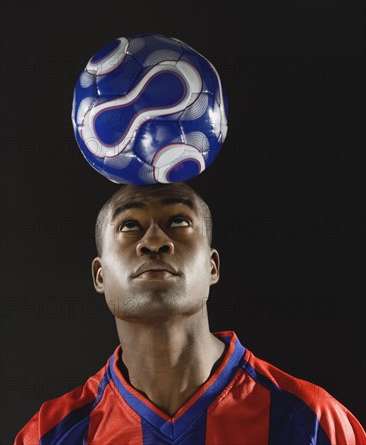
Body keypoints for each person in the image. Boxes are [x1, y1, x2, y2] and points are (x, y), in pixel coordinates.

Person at [15, 182, 366, 444]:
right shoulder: (49, 434)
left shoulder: (312, 421)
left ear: (212, 267)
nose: (154, 240)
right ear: (100, 275)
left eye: (179, 221)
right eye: (129, 225)